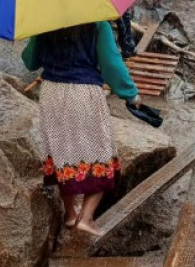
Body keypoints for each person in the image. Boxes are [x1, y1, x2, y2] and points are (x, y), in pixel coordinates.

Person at [21, 22, 142, 236]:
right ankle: (86, 218)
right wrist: (131, 94)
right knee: (102, 155)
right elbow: (111, 64)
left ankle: (70, 215)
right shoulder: (97, 23)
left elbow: (30, 62)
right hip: (83, 93)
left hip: (51, 94)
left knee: (61, 153)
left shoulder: (45, 20)